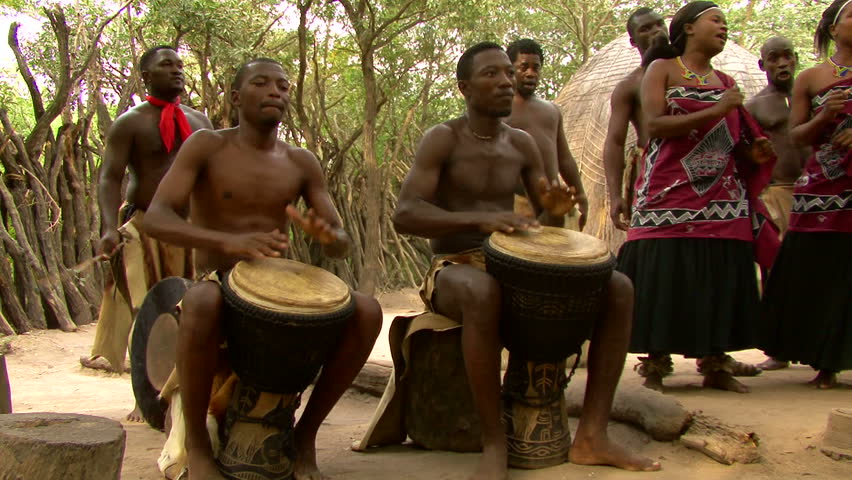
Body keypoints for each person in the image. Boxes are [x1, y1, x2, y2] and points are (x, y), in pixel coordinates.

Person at [393, 41, 660, 480]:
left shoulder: (522, 144)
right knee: (482, 292)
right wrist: (482, 220)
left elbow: (547, 220)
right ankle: (494, 442)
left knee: (618, 287)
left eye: (507, 73)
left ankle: (593, 435)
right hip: (455, 267)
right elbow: (406, 214)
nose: (505, 81)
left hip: (510, 264)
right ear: (464, 87)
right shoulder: (442, 138)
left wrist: (555, 207)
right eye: (491, 75)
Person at [143, 58, 382, 480]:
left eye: (284, 86)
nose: (276, 92)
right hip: (219, 284)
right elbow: (158, 218)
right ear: (236, 97)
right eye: (262, 83)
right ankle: (198, 449)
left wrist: (329, 237)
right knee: (200, 299)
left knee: (367, 311)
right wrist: (227, 242)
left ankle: (304, 437)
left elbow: (341, 243)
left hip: (277, 293)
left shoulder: (302, 161)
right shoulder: (206, 145)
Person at [619, 1, 778, 393]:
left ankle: (715, 361)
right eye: (716, 20)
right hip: (665, 195)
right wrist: (718, 109)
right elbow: (654, 125)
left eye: (726, 21)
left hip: (722, 201)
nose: (724, 27)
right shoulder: (663, 70)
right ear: (688, 28)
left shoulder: (725, 82)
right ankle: (655, 362)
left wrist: (751, 154)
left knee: (718, 273)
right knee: (662, 274)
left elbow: (730, 141)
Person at [80, 45, 212, 421]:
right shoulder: (130, 123)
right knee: (148, 308)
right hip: (146, 227)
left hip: (192, 229)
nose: (177, 70)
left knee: (191, 308)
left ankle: (184, 389)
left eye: (180, 64)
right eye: (166, 65)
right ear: (146, 76)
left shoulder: (200, 123)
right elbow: (109, 177)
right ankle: (146, 393)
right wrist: (108, 227)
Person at [760, 0, 852, 389]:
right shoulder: (812, 79)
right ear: (834, 29)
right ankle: (822, 360)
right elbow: (795, 137)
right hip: (822, 190)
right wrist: (824, 117)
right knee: (821, 271)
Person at [745, 37, 810, 372]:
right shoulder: (755, 107)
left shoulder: (812, 96)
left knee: (818, 267)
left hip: (817, 190)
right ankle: (777, 348)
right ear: (763, 65)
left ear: (796, 59)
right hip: (776, 192)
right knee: (776, 269)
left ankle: (818, 341)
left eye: (787, 57)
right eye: (774, 59)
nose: (782, 64)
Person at [503, 38, 588, 230]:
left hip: (554, 204)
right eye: (523, 67)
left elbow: (564, 158)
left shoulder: (552, 110)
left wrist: (581, 194)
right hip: (516, 203)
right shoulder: (500, 110)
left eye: (536, 68)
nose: (530, 73)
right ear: (510, 70)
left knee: (558, 256)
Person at [604, 7, 667, 230]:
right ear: (633, 40)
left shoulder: (692, 74)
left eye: (660, 24)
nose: (657, 31)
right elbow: (615, 141)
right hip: (653, 173)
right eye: (646, 29)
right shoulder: (630, 86)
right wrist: (615, 196)